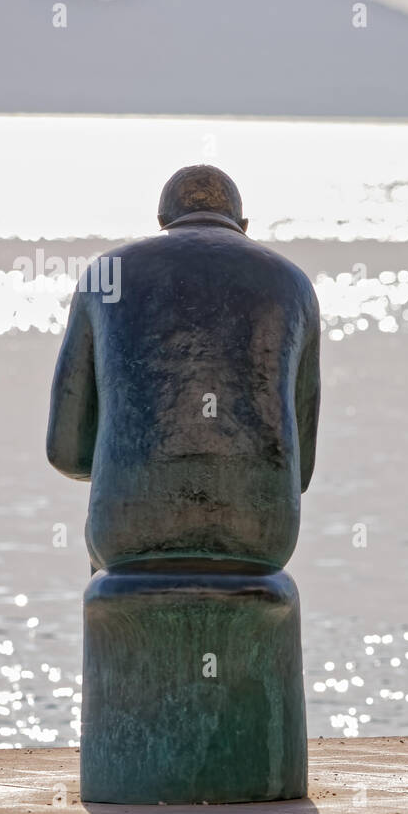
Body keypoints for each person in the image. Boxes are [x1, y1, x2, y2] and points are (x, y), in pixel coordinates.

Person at [47, 164, 321, 573]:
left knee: (108, 556)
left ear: (161, 223)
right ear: (243, 224)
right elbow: (299, 472)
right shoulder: (294, 285)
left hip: (129, 532)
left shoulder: (106, 274)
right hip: (260, 536)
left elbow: (66, 452)